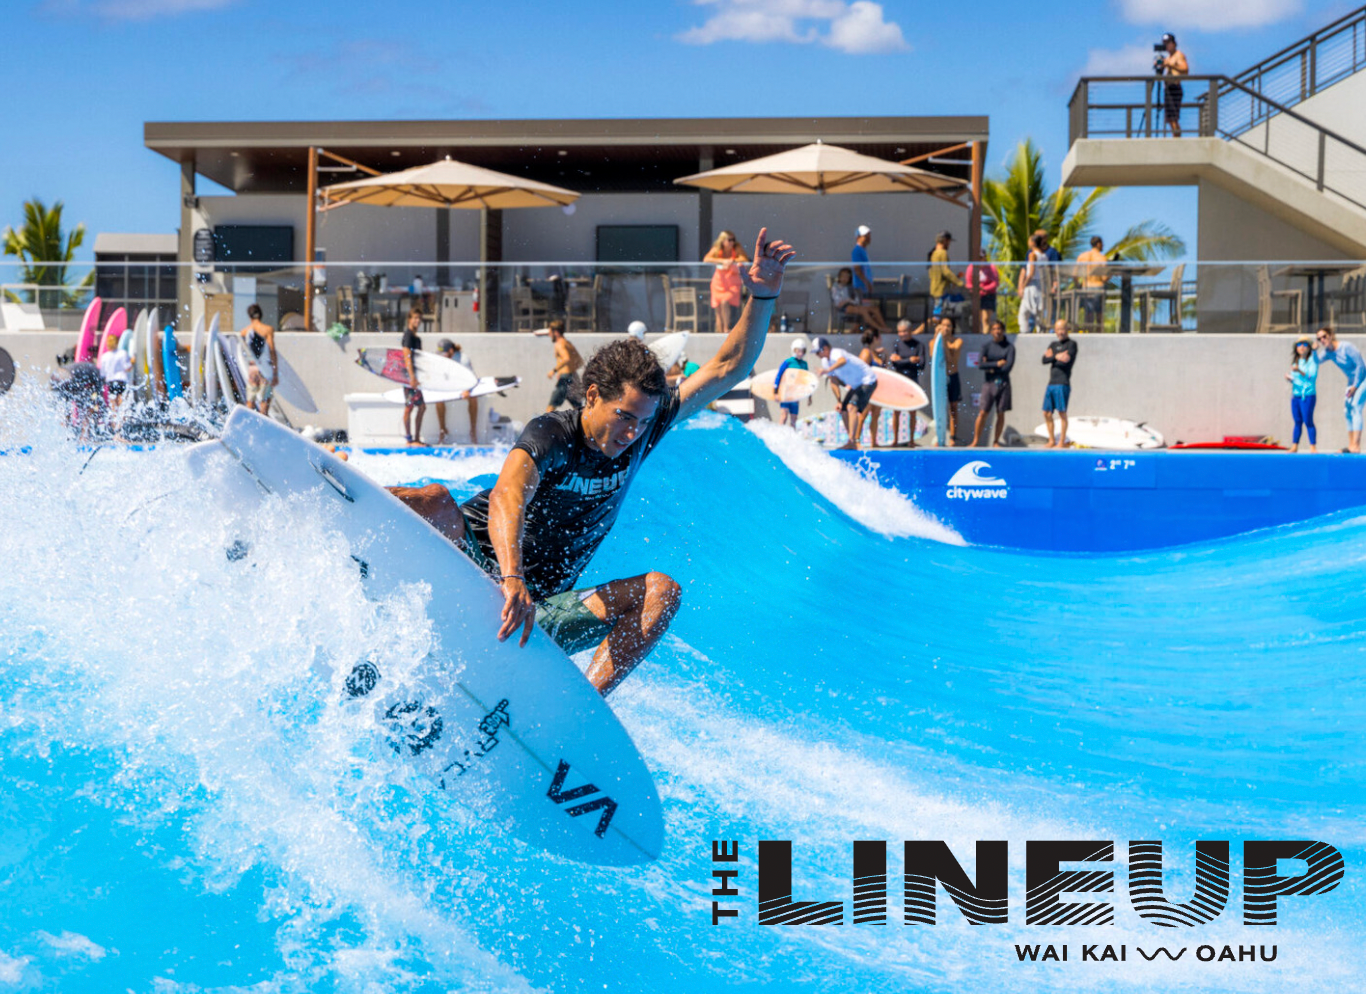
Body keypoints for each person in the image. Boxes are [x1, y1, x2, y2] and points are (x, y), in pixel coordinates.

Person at [387, 229, 795, 696]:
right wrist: (511, 578)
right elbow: (507, 496)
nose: (633, 433)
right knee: (437, 502)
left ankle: (581, 713)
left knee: (662, 591)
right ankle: (332, 509)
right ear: (594, 396)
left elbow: (727, 367)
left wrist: (762, 295)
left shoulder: (644, 430)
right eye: (624, 417)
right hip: (473, 567)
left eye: (642, 423)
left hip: (538, 612)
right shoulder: (553, 432)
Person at [812, 334, 879, 451]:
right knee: (843, 409)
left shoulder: (836, 353)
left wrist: (827, 370)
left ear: (826, 348)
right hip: (857, 385)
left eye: (819, 352)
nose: (818, 355)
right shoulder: (825, 362)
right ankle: (852, 441)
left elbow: (842, 361)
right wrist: (838, 400)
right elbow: (833, 381)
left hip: (868, 380)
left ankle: (853, 440)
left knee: (852, 407)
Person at [1315, 326, 1365, 452]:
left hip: (1363, 379)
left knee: (1355, 406)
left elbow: (1360, 365)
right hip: (1352, 382)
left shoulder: (1346, 347)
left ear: (1330, 336)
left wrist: (1355, 386)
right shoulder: (1328, 353)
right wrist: (1314, 351)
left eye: (1324, 337)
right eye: (1319, 339)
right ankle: (1351, 445)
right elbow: (1317, 361)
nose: (1322, 340)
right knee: (1347, 411)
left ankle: (1356, 445)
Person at [971, 320, 1015, 448]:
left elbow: (1008, 367)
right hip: (989, 383)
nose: (997, 331)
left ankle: (996, 441)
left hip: (1003, 383)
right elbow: (980, 364)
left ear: (1003, 330)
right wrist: (997, 364)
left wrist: (989, 365)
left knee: (1000, 413)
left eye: (999, 328)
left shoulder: (1009, 347)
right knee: (983, 412)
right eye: (994, 329)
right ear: (991, 331)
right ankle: (975, 441)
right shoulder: (986, 346)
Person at [886, 319, 925, 446]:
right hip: (899, 381)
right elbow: (894, 362)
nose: (902, 334)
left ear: (910, 331)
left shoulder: (919, 345)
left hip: (912, 381)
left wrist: (902, 360)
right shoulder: (896, 344)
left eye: (904, 331)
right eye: (900, 332)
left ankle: (912, 440)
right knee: (896, 411)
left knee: (912, 412)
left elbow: (922, 364)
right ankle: (895, 440)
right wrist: (910, 360)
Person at [704, 230, 750, 337]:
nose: (732, 242)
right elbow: (706, 259)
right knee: (718, 308)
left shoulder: (736, 249)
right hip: (719, 282)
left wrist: (731, 260)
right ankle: (719, 332)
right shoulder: (717, 249)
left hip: (732, 283)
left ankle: (726, 328)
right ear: (723, 240)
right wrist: (722, 261)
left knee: (725, 302)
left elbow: (744, 259)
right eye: (729, 240)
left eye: (733, 240)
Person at [1041, 319, 1078, 448]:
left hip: (1063, 383)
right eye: (1057, 329)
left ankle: (1061, 441)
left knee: (1062, 413)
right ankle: (1052, 440)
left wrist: (1053, 356)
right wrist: (1057, 356)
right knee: (1046, 412)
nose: (1060, 332)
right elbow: (1044, 360)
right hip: (1051, 383)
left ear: (1067, 329)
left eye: (1062, 329)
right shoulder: (1053, 344)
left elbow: (1066, 360)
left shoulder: (1071, 344)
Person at [436, 339, 479, 445]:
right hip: (450, 386)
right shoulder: (441, 359)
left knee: (473, 398)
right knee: (438, 399)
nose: (442, 356)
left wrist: (467, 390)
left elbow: (472, 378)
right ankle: (443, 430)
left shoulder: (463, 359)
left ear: (451, 351)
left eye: (444, 353)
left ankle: (473, 430)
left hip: (464, 385)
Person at [238, 303, 278, 416]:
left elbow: (246, 349)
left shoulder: (244, 332)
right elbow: (272, 351)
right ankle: (262, 423)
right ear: (261, 315)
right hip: (265, 368)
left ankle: (248, 422)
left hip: (252, 368)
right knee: (264, 400)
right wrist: (275, 373)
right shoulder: (268, 330)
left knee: (250, 399)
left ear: (250, 316)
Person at [398, 307, 428, 446]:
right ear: (409, 319)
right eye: (415, 318)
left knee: (421, 407)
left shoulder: (416, 337)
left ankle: (415, 438)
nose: (417, 321)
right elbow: (406, 356)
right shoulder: (408, 335)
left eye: (419, 318)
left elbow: (419, 359)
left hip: (414, 378)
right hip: (410, 379)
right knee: (410, 407)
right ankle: (409, 439)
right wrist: (411, 378)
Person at [830, 267, 890, 333]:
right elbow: (838, 303)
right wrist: (848, 300)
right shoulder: (836, 287)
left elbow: (856, 300)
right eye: (843, 276)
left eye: (847, 277)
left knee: (875, 309)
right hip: (844, 307)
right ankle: (879, 328)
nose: (844, 278)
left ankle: (885, 327)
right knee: (863, 311)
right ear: (839, 277)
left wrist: (852, 301)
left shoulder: (850, 287)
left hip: (854, 305)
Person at [545, 319, 585, 413]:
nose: (549, 335)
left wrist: (554, 371)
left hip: (565, 379)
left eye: (550, 332)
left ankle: (543, 426)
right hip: (572, 377)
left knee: (551, 406)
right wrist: (568, 371)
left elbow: (566, 358)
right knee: (578, 408)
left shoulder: (559, 344)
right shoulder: (568, 343)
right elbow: (579, 361)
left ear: (556, 332)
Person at [1286, 336, 1318, 453]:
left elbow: (1311, 377)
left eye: (1305, 344)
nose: (1302, 347)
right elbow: (1296, 379)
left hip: (1308, 396)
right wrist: (1290, 378)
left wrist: (1299, 370)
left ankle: (1312, 447)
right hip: (1296, 396)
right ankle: (1294, 446)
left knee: (1308, 421)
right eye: (1299, 345)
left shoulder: (1312, 361)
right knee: (1297, 421)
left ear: (1309, 348)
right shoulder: (1296, 361)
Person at [773, 337, 810, 428]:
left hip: (796, 395)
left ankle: (792, 437)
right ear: (794, 350)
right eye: (798, 351)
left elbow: (807, 380)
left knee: (794, 418)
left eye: (803, 351)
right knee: (784, 415)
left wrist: (809, 396)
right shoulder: (788, 362)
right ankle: (779, 434)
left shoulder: (804, 364)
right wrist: (775, 392)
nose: (801, 353)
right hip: (786, 392)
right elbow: (779, 376)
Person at [858, 328, 887, 446]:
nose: (881, 339)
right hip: (868, 389)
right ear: (875, 338)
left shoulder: (876, 353)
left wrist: (886, 354)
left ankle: (873, 441)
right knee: (863, 415)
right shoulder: (866, 352)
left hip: (878, 389)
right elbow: (860, 370)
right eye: (879, 336)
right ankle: (855, 440)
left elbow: (885, 371)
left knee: (875, 415)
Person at [928, 231, 966, 321]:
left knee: (938, 313)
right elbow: (946, 271)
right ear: (945, 241)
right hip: (941, 289)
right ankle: (920, 331)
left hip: (935, 288)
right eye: (948, 241)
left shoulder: (934, 253)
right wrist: (960, 283)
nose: (949, 244)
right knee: (938, 315)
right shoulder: (942, 253)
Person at [1075, 236, 1109, 331]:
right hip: (1097, 287)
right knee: (1099, 313)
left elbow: (1075, 274)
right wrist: (1111, 273)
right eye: (1102, 244)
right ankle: (1099, 333)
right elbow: (1104, 278)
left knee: (1088, 312)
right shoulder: (1102, 258)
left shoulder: (1082, 256)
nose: (1103, 246)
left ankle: (1088, 331)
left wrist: (1078, 285)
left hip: (1086, 287)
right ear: (1098, 244)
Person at [1159, 33, 1188, 138]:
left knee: (1173, 117)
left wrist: (1170, 65)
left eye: (1168, 43)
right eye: (1165, 44)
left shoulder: (1178, 55)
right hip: (1168, 88)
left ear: (1174, 43)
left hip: (1175, 88)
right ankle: (1175, 136)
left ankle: (1177, 138)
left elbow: (1185, 69)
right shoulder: (1168, 57)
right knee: (1169, 118)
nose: (1167, 46)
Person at [1018, 233, 1048, 335]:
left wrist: (1023, 286)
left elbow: (1031, 272)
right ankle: (1040, 332)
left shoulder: (1032, 254)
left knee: (1024, 313)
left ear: (1033, 243)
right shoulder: (1044, 256)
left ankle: (1024, 332)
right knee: (1038, 312)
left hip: (1032, 285)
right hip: (1041, 285)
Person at [964, 250, 999, 331]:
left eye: (981, 258)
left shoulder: (991, 267)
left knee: (986, 318)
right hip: (976, 296)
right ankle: (978, 334)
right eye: (978, 258)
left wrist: (985, 289)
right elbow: (968, 283)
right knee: (977, 319)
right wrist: (976, 289)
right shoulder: (971, 268)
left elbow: (995, 282)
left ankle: (985, 335)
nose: (980, 260)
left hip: (988, 295)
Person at [98, 335, 132, 417]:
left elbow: (102, 373)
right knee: (122, 404)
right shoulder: (122, 353)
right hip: (121, 380)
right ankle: (122, 424)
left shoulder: (104, 356)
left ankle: (114, 425)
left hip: (111, 381)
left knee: (113, 406)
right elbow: (127, 368)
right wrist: (132, 362)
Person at [851, 224, 874, 296]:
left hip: (864, 288)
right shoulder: (857, 250)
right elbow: (857, 269)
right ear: (858, 237)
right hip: (860, 288)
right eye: (865, 236)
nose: (868, 237)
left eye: (869, 235)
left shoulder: (863, 250)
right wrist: (867, 283)